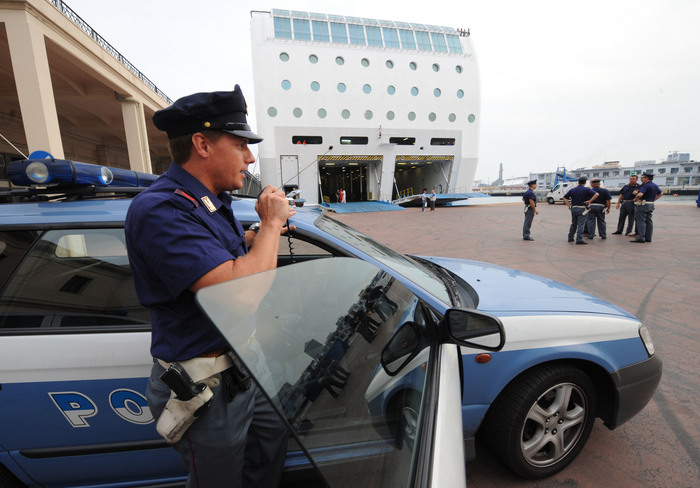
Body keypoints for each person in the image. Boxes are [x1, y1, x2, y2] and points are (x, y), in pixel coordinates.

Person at [124, 86, 292, 488]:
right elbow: (241, 294)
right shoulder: (163, 209)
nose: (250, 157)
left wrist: (252, 242)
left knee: (270, 448)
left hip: (246, 366)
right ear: (202, 143)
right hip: (208, 384)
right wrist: (271, 225)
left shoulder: (212, 202)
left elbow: (225, 263)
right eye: (240, 145)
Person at [562, 176, 599, 244]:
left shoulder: (572, 189)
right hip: (582, 208)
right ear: (585, 182)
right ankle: (579, 239)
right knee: (581, 225)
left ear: (578, 182)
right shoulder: (586, 189)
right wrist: (589, 201)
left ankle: (570, 237)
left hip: (574, 208)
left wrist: (569, 205)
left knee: (573, 224)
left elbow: (564, 198)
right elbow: (596, 194)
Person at [631, 171, 662, 243]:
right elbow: (661, 193)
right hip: (650, 204)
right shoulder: (655, 185)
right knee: (649, 221)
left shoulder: (645, 185)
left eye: (642, 178)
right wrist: (653, 200)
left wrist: (635, 200)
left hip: (643, 204)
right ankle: (648, 237)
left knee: (641, 221)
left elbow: (639, 194)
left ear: (646, 178)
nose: (641, 179)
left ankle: (641, 237)